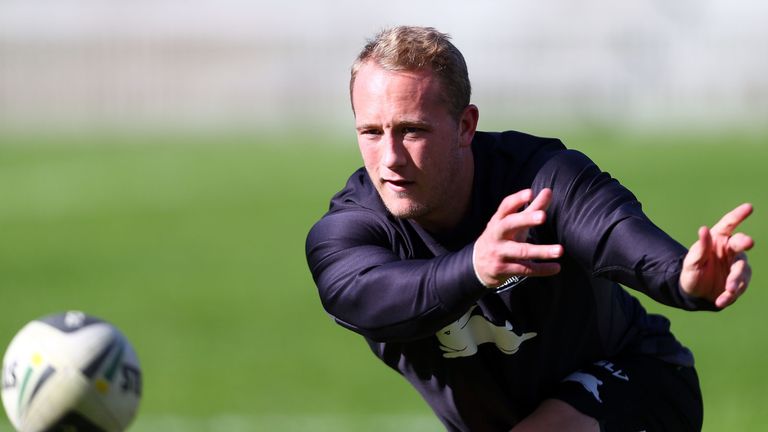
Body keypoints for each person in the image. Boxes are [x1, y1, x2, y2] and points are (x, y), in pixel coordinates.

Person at [305, 25, 754, 431]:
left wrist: (685, 279)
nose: (390, 159)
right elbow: (364, 297)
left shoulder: (542, 179)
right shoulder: (348, 232)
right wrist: (475, 268)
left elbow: (617, 233)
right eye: (370, 132)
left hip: (637, 382)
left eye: (412, 130)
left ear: (465, 126)